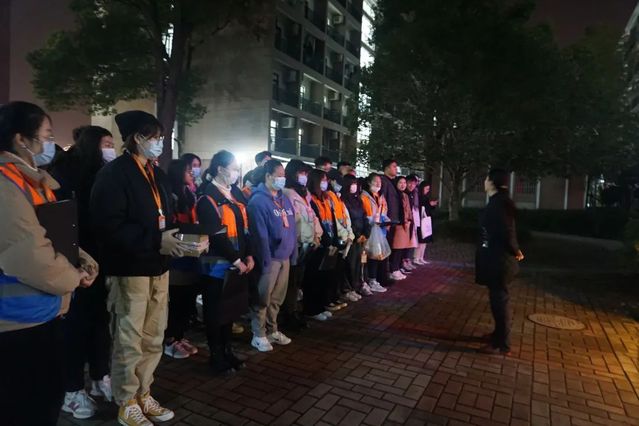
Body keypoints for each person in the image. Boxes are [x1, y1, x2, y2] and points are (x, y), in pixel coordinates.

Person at [0, 101, 98, 426]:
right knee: (29, 410)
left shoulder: (30, 181)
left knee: (43, 403)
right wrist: (74, 277)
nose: (50, 143)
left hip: (40, 315)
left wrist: (81, 259)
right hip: (17, 327)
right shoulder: (5, 186)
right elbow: (30, 256)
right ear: (21, 139)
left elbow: (54, 235)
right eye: (46, 135)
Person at [91, 110, 188, 425]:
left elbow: (166, 215)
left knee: (154, 336)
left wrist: (180, 239)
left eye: (161, 137)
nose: (159, 143)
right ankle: (126, 400)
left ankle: (144, 392)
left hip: (158, 266)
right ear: (137, 138)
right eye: (155, 137)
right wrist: (156, 240)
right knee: (128, 339)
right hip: (129, 269)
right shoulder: (114, 174)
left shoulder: (155, 173)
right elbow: (109, 227)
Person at [48, 125, 115, 419]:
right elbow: (59, 224)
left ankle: (101, 376)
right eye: (106, 144)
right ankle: (72, 389)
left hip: (98, 261)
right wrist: (75, 262)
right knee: (73, 329)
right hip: (73, 265)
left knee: (99, 323)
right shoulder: (62, 173)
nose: (111, 149)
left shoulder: (102, 173)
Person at [197, 150, 253, 373]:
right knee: (214, 311)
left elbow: (245, 229)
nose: (236, 173)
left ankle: (227, 350)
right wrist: (237, 259)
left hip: (235, 263)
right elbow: (217, 235)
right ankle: (216, 355)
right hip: (216, 265)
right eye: (234, 169)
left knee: (229, 309)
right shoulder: (207, 198)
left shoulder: (234, 194)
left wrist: (249, 255)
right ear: (220, 169)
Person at [248, 159, 297, 352]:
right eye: (279, 175)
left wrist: (292, 254)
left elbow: (292, 228)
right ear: (268, 176)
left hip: (284, 257)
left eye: (283, 175)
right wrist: (265, 260)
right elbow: (260, 235)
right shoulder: (258, 201)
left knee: (276, 298)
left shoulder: (284, 199)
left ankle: (272, 329)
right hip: (269, 259)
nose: (282, 179)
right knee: (262, 298)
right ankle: (258, 334)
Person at [475, 168, 524, 356]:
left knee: (499, 301)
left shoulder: (498, 204)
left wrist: (515, 250)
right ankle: (498, 335)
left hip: (499, 261)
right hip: (497, 259)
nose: (484, 182)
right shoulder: (499, 201)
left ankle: (502, 344)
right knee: (497, 299)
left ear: (491, 182)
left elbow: (507, 230)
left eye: (486, 179)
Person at [163, 159, 200, 360]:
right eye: (188, 170)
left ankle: (180, 335)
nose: (192, 173)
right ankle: (170, 340)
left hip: (191, 253)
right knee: (176, 300)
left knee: (187, 299)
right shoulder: (170, 196)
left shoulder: (190, 195)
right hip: (176, 256)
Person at [281, 160, 322, 331]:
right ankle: (288, 314)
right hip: (295, 244)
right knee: (291, 281)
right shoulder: (287, 194)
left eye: (306, 174)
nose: (304, 177)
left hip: (307, 243)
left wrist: (317, 235)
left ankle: (293, 311)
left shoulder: (304, 194)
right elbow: (294, 221)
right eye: (301, 173)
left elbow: (311, 217)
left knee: (297, 280)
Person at [304, 169, 339, 321]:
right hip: (319, 243)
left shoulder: (326, 198)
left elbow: (333, 219)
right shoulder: (310, 199)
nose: (326, 183)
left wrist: (334, 240)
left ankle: (321, 305)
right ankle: (312, 309)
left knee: (324, 277)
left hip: (329, 242)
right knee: (313, 278)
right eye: (323, 180)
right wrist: (325, 240)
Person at [340, 174, 370, 299]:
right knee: (351, 264)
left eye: (356, 184)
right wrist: (357, 235)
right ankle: (349, 288)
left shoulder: (358, 200)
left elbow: (364, 216)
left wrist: (366, 233)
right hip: (352, 237)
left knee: (361, 262)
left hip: (362, 237)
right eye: (352, 184)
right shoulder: (342, 200)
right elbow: (347, 220)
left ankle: (358, 285)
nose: (354, 186)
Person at [361, 173, 389, 294]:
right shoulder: (364, 197)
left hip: (379, 231)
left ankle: (373, 280)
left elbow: (384, 211)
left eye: (380, 182)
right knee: (367, 257)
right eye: (375, 181)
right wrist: (372, 221)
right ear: (369, 182)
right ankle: (367, 281)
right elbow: (364, 214)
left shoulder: (380, 196)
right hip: (369, 231)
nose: (378, 184)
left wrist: (386, 220)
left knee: (377, 256)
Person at [380, 160, 404, 281]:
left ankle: (387, 273)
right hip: (387, 222)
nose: (396, 169)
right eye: (394, 166)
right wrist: (386, 221)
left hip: (393, 221)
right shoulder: (384, 181)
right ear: (387, 168)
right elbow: (382, 203)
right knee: (385, 248)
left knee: (389, 248)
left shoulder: (391, 182)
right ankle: (383, 276)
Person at [391, 177, 417, 278]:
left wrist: (409, 220)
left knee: (402, 248)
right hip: (398, 224)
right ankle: (394, 269)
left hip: (406, 224)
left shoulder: (405, 195)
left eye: (404, 183)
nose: (403, 185)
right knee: (397, 248)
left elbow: (408, 210)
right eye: (400, 183)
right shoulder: (394, 195)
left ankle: (398, 267)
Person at [415, 181, 438, 265]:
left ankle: (421, 257)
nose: (428, 191)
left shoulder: (425, 197)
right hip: (421, 220)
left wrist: (431, 205)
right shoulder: (419, 197)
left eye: (428, 189)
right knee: (421, 241)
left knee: (424, 241)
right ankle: (416, 258)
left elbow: (428, 208)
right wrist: (429, 204)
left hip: (426, 220)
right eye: (426, 189)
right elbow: (421, 207)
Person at [405, 174, 421, 271]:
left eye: (414, 184)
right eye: (410, 183)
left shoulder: (414, 193)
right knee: (404, 243)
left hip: (412, 221)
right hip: (406, 222)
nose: (411, 185)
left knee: (410, 242)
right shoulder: (405, 194)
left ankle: (407, 260)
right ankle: (403, 262)